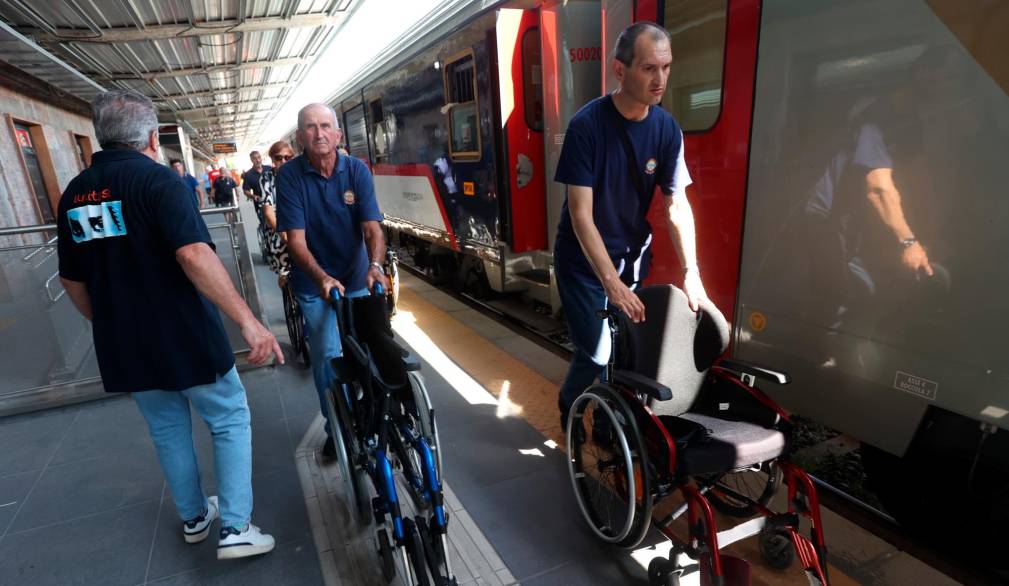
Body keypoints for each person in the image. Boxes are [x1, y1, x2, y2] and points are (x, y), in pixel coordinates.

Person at [56, 90, 282, 559]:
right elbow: (193, 253)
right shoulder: (160, 182)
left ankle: (196, 516)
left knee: (167, 429)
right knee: (228, 416)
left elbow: (71, 279)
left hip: (126, 343)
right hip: (184, 334)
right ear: (152, 138)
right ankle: (237, 527)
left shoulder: (74, 194)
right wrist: (249, 322)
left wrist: (109, 321)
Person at [553, 22, 707, 427]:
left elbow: (677, 207)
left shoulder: (666, 129)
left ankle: (607, 429)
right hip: (583, 263)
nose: (660, 80)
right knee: (599, 352)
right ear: (619, 71)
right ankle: (571, 404)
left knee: (627, 352)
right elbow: (580, 213)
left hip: (631, 257)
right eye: (648, 69)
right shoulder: (587, 127)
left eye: (666, 67)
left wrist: (692, 273)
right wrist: (611, 283)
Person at [276, 103, 389, 458]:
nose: (319, 133)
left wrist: (375, 265)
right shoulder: (289, 177)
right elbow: (295, 240)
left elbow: (372, 227)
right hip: (315, 285)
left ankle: (371, 410)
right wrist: (323, 278)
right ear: (300, 137)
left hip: (356, 276)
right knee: (327, 356)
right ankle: (335, 427)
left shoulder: (356, 170)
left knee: (371, 347)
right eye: (311, 127)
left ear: (339, 134)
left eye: (326, 126)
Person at [259, 141, 294, 281]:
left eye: (287, 158)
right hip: (279, 232)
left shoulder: (299, 175)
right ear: (272, 159)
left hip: (300, 230)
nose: (283, 161)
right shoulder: (267, 177)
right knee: (285, 275)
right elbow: (268, 212)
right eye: (279, 158)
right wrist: (285, 237)